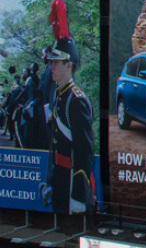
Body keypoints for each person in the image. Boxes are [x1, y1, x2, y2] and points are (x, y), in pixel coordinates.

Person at [42, 25, 93, 215]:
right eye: (50, 62)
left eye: (56, 62)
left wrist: (79, 196)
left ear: (68, 65)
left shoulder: (76, 99)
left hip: (73, 183)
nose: (51, 67)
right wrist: (52, 183)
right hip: (61, 181)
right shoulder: (59, 95)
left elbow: (84, 152)